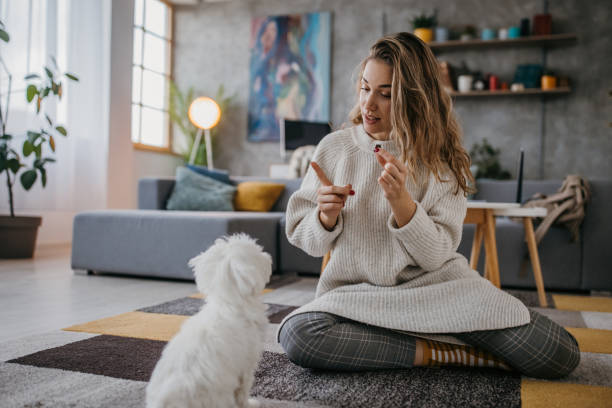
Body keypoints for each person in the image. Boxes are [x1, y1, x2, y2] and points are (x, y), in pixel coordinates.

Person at [276, 32, 580, 379]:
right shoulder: (333, 149)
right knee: (299, 336)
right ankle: (443, 353)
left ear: (415, 99)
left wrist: (403, 204)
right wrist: (325, 217)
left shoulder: (441, 160)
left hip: (440, 293)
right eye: (364, 88)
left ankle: (414, 344)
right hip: (357, 297)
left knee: (559, 353)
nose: (368, 104)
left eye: (385, 94)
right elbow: (305, 240)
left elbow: (436, 256)